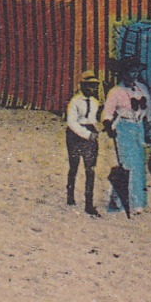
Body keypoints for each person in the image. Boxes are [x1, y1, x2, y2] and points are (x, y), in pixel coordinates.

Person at [102, 58, 151, 214]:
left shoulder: (141, 89)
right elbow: (107, 112)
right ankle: (118, 201)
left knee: (138, 166)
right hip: (123, 128)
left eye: (136, 71)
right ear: (123, 73)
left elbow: (149, 110)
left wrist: (150, 123)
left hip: (138, 129)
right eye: (131, 71)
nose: (134, 75)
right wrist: (108, 126)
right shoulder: (116, 92)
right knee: (127, 165)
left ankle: (136, 202)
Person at [65, 71, 103, 216]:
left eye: (94, 86)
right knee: (74, 166)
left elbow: (93, 120)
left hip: (90, 134)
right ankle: (70, 194)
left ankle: (89, 203)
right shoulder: (75, 102)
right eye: (88, 86)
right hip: (75, 135)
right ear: (82, 85)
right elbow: (72, 122)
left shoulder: (94, 102)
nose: (91, 89)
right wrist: (87, 135)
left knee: (90, 169)